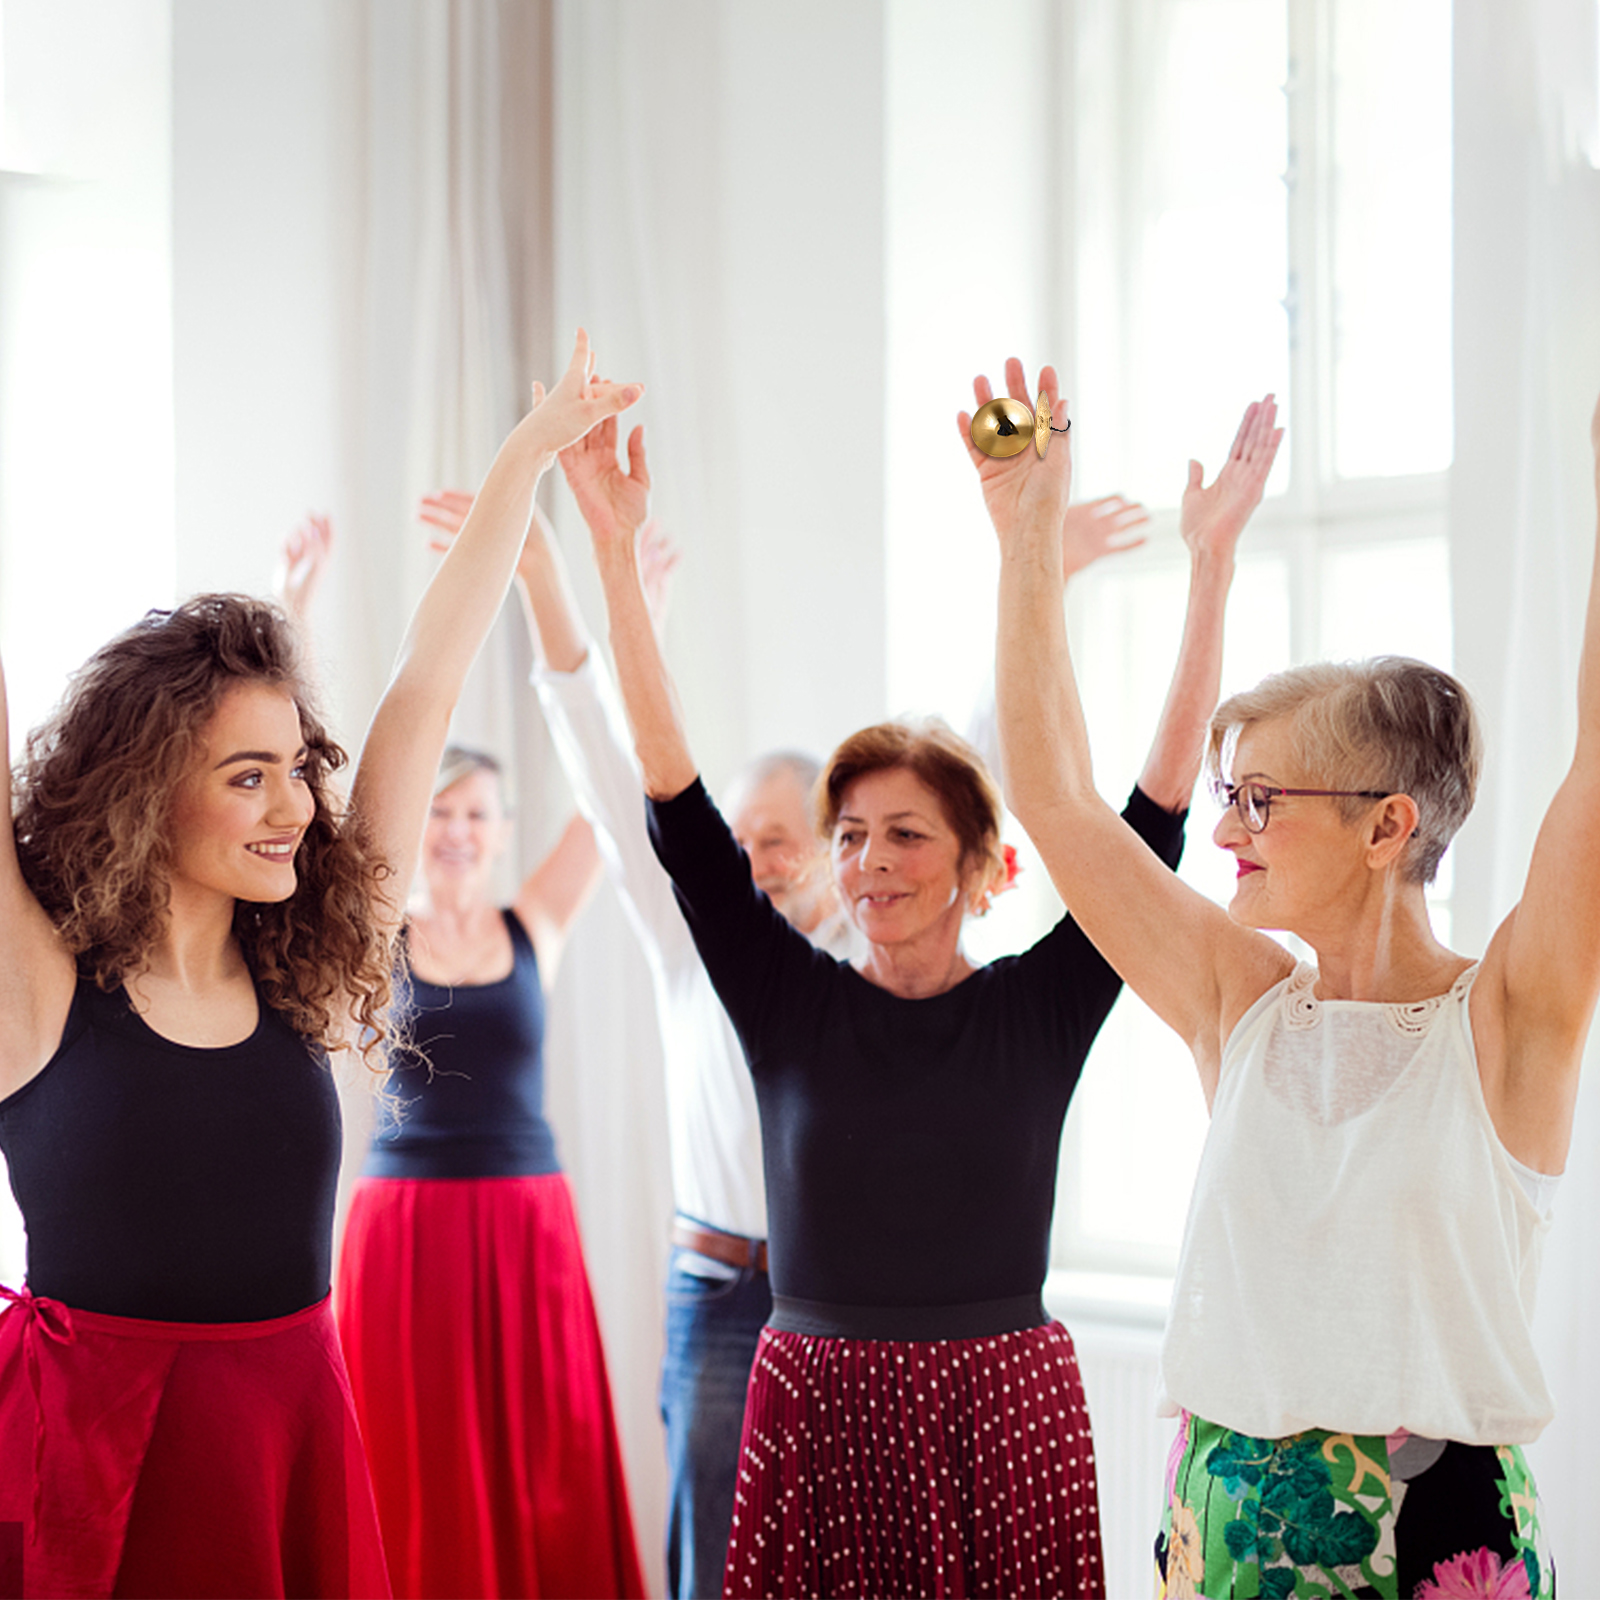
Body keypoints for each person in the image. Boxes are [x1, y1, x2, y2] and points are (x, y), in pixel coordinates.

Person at [575, 393, 1277, 1599]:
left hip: (1001, 1411)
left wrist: (1208, 564)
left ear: (978, 864)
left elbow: (1154, 815)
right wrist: (611, 553)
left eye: (905, 833)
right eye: (850, 836)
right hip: (818, 1409)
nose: (870, 862)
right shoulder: (785, 999)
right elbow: (676, 806)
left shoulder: (1037, 1008)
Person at [422, 456, 1152, 1600]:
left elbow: (967, 763)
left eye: (785, 837)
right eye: (747, 837)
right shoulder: (710, 948)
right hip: (732, 1299)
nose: (762, 856)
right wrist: (580, 573)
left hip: (893, 1330)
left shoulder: (883, 954)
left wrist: (1035, 570)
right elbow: (639, 783)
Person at [0, 331, 641, 1597]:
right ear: (146, 794)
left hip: (287, 1430)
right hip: (89, 1455)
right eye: (249, 776)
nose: (295, 803)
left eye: (297, 766)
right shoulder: (36, 987)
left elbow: (428, 676)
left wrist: (525, 456)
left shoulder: (306, 965)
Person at [985, 360, 1595, 1600]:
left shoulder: (1505, 1016)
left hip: (1436, 1531)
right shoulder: (1240, 996)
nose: (1225, 831)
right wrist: (1026, 535)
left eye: (1261, 800)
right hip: (1221, 1517)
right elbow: (1051, 799)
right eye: (1228, 795)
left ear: (1386, 826)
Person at [334, 742, 648, 1600]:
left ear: (504, 831)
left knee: (552, 1447)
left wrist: (611, 671)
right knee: (414, 1452)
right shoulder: (371, 933)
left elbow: (609, 797)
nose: (457, 831)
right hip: (405, 1231)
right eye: (439, 810)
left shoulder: (534, 921)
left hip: (527, 1225)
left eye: (476, 813)